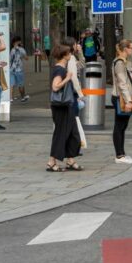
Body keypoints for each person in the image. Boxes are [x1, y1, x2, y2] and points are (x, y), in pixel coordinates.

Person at [46, 44, 82, 172]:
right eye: (69, 53)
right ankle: (51, 161)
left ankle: (70, 160)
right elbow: (55, 87)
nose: (70, 54)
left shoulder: (61, 68)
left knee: (73, 133)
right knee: (61, 133)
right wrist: (67, 79)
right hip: (60, 106)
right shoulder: (59, 70)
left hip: (66, 105)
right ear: (64, 55)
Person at [111, 39, 132, 164]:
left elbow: (130, 78)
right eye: (131, 48)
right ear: (125, 49)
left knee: (123, 126)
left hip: (124, 97)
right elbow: (122, 83)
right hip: (121, 97)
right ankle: (119, 155)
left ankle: (122, 153)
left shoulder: (126, 62)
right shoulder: (119, 63)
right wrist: (128, 101)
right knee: (119, 126)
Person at [9, 36, 30, 102]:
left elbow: (10, 59)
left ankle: (10, 98)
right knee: (20, 84)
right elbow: (26, 58)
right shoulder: (21, 49)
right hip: (19, 70)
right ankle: (23, 97)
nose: (21, 42)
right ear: (18, 42)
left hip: (11, 69)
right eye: (20, 41)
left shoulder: (12, 50)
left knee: (11, 84)